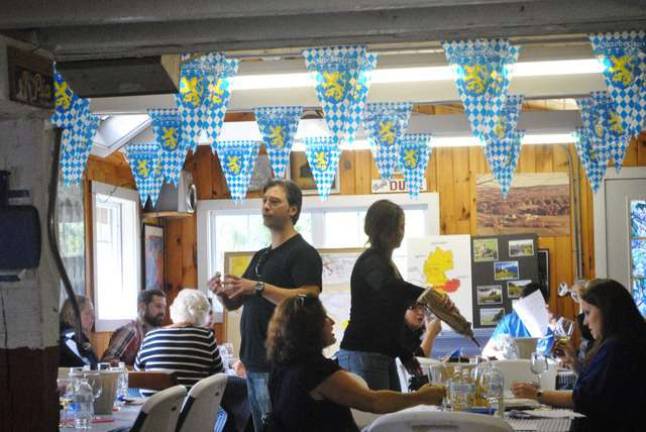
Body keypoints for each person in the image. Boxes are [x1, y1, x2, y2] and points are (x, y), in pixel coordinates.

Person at [209, 179, 323, 431]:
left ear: (293, 209)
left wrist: (259, 287)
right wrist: (222, 294)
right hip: (254, 360)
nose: (266, 206)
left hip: (283, 364)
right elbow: (235, 303)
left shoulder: (303, 253)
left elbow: (309, 297)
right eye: (264, 201)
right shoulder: (261, 255)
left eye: (274, 201)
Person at [265, 295, 446, 432]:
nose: (331, 322)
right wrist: (422, 397)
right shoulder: (316, 371)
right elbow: (373, 402)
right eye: (324, 318)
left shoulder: (281, 367)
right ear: (311, 328)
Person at [511, 279, 646, 431]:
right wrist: (574, 363)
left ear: (607, 310)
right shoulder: (624, 341)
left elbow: (582, 399)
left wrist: (537, 394)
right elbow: (598, 388)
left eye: (587, 313)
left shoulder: (616, 347)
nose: (586, 322)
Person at [338, 199, 432, 391]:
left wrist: (404, 354)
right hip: (364, 352)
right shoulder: (371, 262)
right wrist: (427, 295)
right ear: (383, 231)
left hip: (377, 353)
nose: (401, 232)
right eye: (398, 227)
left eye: (403, 227)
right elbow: (389, 289)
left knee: (390, 415)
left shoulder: (385, 264)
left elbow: (386, 319)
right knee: (378, 418)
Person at [135, 289, 223, 396]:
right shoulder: (206, 336)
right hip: (192, 409)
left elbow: (138, 374)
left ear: (174, 310)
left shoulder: (150, 336)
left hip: (152, 408)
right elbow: (219, 376)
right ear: (204, 314)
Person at [482, 282, 555, 358]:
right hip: (513, 367)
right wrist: (499, 354)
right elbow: (486, 351)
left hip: (541, 368)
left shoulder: (551, 326)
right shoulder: (510, 322)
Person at [101, 288, 167, 366]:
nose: (162, 311)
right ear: (142, 306)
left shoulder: (160, 332)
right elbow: (107, 361)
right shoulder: (131, 331)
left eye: (164, 307)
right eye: (158, 306)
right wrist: (135, 371)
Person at [59, 295, 98, 369]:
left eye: (92, 313)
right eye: (87, 313)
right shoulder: (70, 337)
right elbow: (92, 368)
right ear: (73, 315)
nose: (93, 317)